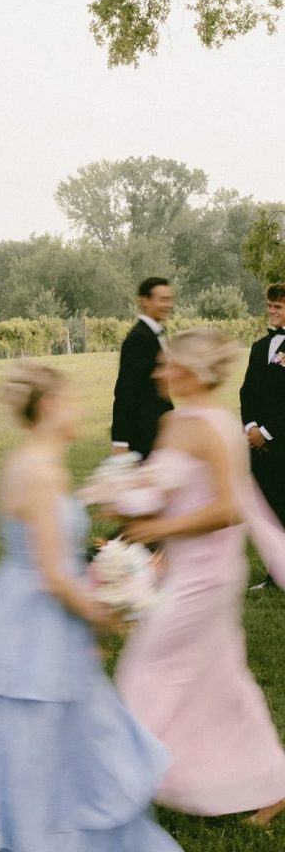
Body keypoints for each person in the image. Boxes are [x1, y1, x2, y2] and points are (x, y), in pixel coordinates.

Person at [0, 360, 182, 852]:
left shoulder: (24, 462)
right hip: (38, 624)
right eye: (70, 400)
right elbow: (52, 573)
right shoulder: (42, 472)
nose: (79, 409)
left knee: (50, 738)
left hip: (21, 611)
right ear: (49, 406)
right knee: (45, 745)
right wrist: (104, 614)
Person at [115, 329, 285, 825]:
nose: (159, 371)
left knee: (145, 667)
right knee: (220, 680)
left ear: (190, 371)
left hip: (209, 577)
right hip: (179, 569)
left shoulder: (216, 428)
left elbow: (229, 508)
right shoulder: (173, 423)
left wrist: (159, 529)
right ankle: (269, 780)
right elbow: (176, 494)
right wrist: (148, 536)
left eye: (168, 364)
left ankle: (137, 773)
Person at [240, 283, 285, 543]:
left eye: (277, 306)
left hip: (281, 441)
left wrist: (266, 432)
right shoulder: (258, 347)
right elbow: (247, 392)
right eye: (269, 306)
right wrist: (251, 427)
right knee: (266, 510)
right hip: (258, 447)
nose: (271, 311)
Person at [111, 277, 174, 457]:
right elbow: (125, 391)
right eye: (162, 300)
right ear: (144, 301)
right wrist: (120, 441)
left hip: (159, 432)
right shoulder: (139, 338)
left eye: (169, 299)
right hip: (144, 435)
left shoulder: (153, 335)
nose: (168, 305)